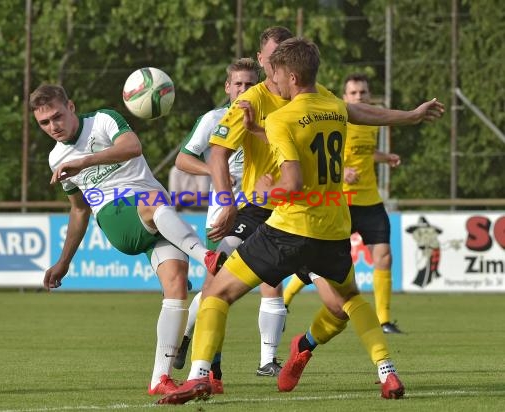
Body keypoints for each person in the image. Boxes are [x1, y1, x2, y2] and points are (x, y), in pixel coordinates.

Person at [157, 37, 409, 405]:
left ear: (289, 73)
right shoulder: (328, 105)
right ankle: (383, 370)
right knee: (350, 300)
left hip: (286, 223)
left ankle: (203, 373)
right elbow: (222, 151)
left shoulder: (284, 114)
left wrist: (265, 190)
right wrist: (411, 116)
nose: (269, 70)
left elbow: (291, 178)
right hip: (331, 223)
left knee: (218, 294)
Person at [29, 84, 225, 396]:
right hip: (117, 216)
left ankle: (159, 379)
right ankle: (207, 256)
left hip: (157, 215)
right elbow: (79, 210)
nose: (53, 126)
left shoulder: (103, 120)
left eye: (56, 116)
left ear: (71, 106)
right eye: (44, 123)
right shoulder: (57, 158)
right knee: (151, 201)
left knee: (176, 286)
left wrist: (83, 161)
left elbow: (133, 147)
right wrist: (63, 262)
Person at [283, 73, 404, 334]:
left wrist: (385, 157)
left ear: (369, 95)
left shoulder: (372, 122)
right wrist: (344, 169)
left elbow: (366, 152)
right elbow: (322, 153)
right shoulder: (338, 118)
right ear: (344, 96)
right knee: (316, 258)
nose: (359, 97)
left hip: (370, 200)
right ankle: (284, 300)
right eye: (354, 93)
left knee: (384, 256)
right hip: (340, 201)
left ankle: (384, 320)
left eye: (363, 92)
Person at [172, 58, 260, 386]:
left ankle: (191, 340)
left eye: (250, 84)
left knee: (231, 292)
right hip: (222, 218)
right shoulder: (213, 119)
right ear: (228, 87)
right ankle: (212, 368)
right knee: (216, 291)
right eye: (238, 84)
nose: (243, 90)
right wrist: (215, 170)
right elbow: (184, 158)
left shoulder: (268, 115)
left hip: (264, 213)